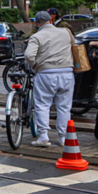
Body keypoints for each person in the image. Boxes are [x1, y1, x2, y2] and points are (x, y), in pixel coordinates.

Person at [24, 11, 74, 147]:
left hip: (45, 73)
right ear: (51, 21)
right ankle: (63, 137)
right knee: (64, 106)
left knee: (42, 105)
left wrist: (35, 66)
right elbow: (75, 47)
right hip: (67, 72)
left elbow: (29, 55)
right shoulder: (66, 32)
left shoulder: (36, 37)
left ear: (36, 23)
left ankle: (44, 136)